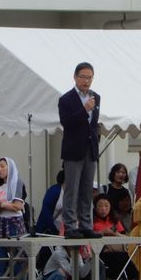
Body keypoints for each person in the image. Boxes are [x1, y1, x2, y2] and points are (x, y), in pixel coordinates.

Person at [58, 62, 102, 239]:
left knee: (86, 188)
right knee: (72, 188)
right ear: (75, 77)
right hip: (73, 149)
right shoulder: (66, 99)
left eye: (89, 77)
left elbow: (93, 125)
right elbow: (66, 122)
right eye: (83, 77)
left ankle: (86, 224)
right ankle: (70, 225)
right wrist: (84, 110)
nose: (86, 80)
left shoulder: (96, 97)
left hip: (90, 149)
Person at [92, 194, 137, 280]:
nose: (103, 209)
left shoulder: (115, 220)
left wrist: (114, 233)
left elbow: (123, 235)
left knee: (131, 261)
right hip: (101, 252)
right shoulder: (91, 221)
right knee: (119, 259)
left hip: (119, 250)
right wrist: (102, 232)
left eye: (106, 206)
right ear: (95, 207)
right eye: (100, 206)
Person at [36, 170, 64, 235]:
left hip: (59, 229)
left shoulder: (70, 193)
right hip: (47, 230)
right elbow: (45, 213)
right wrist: (55, 231)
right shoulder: (54, 191)